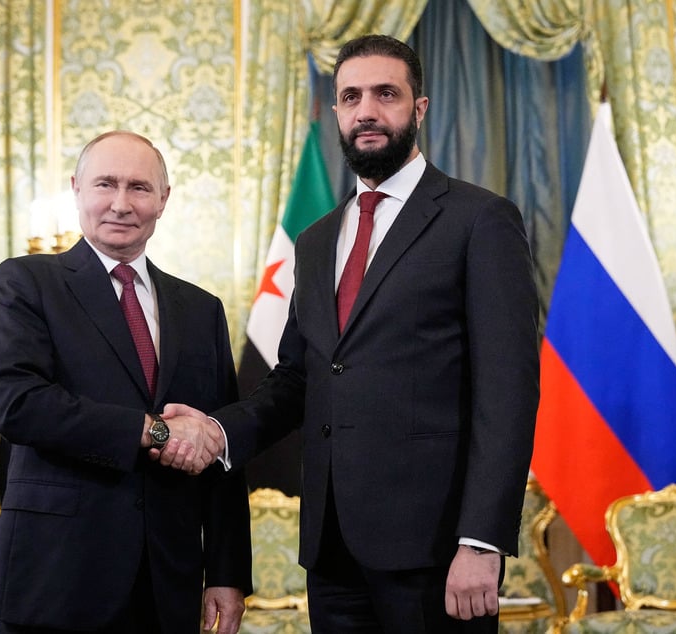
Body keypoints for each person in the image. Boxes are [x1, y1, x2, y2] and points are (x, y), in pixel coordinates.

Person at [159, 34, 540, 633]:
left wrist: (481, 541)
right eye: (351, 96)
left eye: (386, 94)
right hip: (332, 549)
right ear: (336, 111)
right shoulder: (315, 242)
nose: (367, 110)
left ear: (419, 108)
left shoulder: (480, 220)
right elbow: (295, 380)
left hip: (436, 552)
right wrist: (216, 430)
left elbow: (508, 391)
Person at [0, 130, 251, 634]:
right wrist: (155, 431)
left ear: (164, 200)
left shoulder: (202, 310)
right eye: (106, 184)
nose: (121, 204)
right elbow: (18, 404)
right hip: (56, 576)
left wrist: (228, 573)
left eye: (140, 188)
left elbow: (218, 444)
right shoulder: (26, 282)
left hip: (167, 581)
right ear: (76, 188)